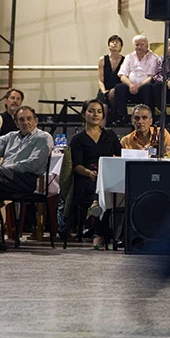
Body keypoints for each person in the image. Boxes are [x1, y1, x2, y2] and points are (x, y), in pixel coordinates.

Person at [0, 106, 54, 251]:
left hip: (24, 179)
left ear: (36, 121)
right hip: (5, 178)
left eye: (29, 119)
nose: (25, 122)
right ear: (16, 123)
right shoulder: (11, 137)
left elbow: (34, 163)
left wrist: (6, 168)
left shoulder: (43, 137)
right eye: (21, 119)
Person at [68, 99, 121, 249]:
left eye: (99, 111)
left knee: (106, 190)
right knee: (97, 189)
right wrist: (89, 173)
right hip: (86, 178)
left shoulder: (110, 135)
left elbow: (120, 155)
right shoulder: (78, 139)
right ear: (84, 114)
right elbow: (76, 165)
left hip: (106, 178)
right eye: (91, 111)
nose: (95, 115)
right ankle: (99, 234)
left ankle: (96, 212)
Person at [112, 35, 161, 125]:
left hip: (145, 86)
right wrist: (130, 85)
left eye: (142, 45)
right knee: (119, 87)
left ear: (147, 46)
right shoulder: (129, 57)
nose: (139, 47)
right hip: (131, 86)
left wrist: (138, 85)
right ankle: (122, 117)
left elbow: (151, 77)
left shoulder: (153, 57)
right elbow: (122, 75)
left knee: (148, 87)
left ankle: (148, 118)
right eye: (137, 45)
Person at [96, 35, 125, 117]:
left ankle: (115, 116)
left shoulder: (125, 60)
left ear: (121, 46)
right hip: (105, 88)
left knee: (114, 96)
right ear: (109, 45)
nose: (114, 44)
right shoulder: (102, 60)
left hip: (118, 89)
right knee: (103, 106)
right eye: (112, 42)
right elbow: (100, 79)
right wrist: (104, 90)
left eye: (117, 42)